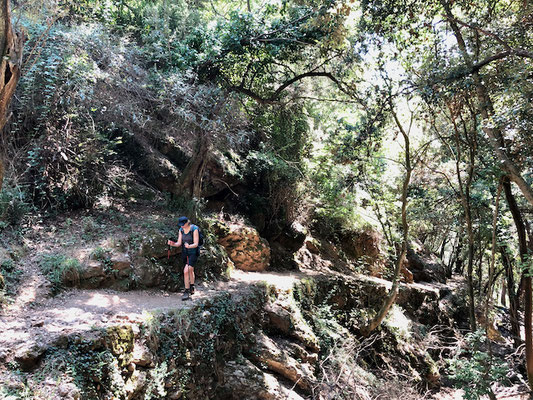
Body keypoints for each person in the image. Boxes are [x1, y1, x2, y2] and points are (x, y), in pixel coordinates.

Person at [168, 216, 200, 300]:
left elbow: (196, 244)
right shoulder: (181, 230)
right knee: (190, 269)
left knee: (186, 270)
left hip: (193, 252)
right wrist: (172, 244)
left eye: (182, 224)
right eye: (180, 224)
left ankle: (186, 291)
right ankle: (192, 286)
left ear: (186, 223)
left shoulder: (194, 229)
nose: (181, 226)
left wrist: (189, 246)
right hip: (185, 253)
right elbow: (179, 243)